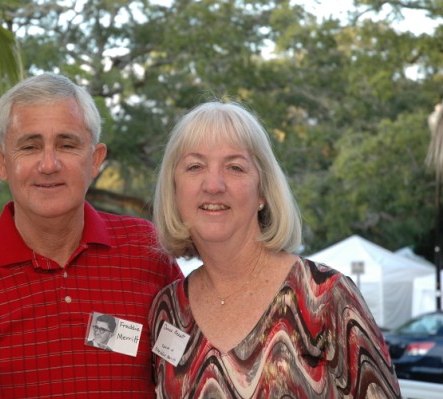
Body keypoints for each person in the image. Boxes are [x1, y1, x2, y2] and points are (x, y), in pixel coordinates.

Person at [0, 72, 182, 398]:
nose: (49, 164)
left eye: (67, 144)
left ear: (95, 159)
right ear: (1, 162)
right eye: (29, 146)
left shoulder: (147, 250)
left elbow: (188, 370)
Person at [149, 101, 401, 398]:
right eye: (195, 166)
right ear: (174, 190)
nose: (213, 185)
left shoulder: (326, 298)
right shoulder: (167, 310)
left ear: (263, 193)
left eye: (235, 167)